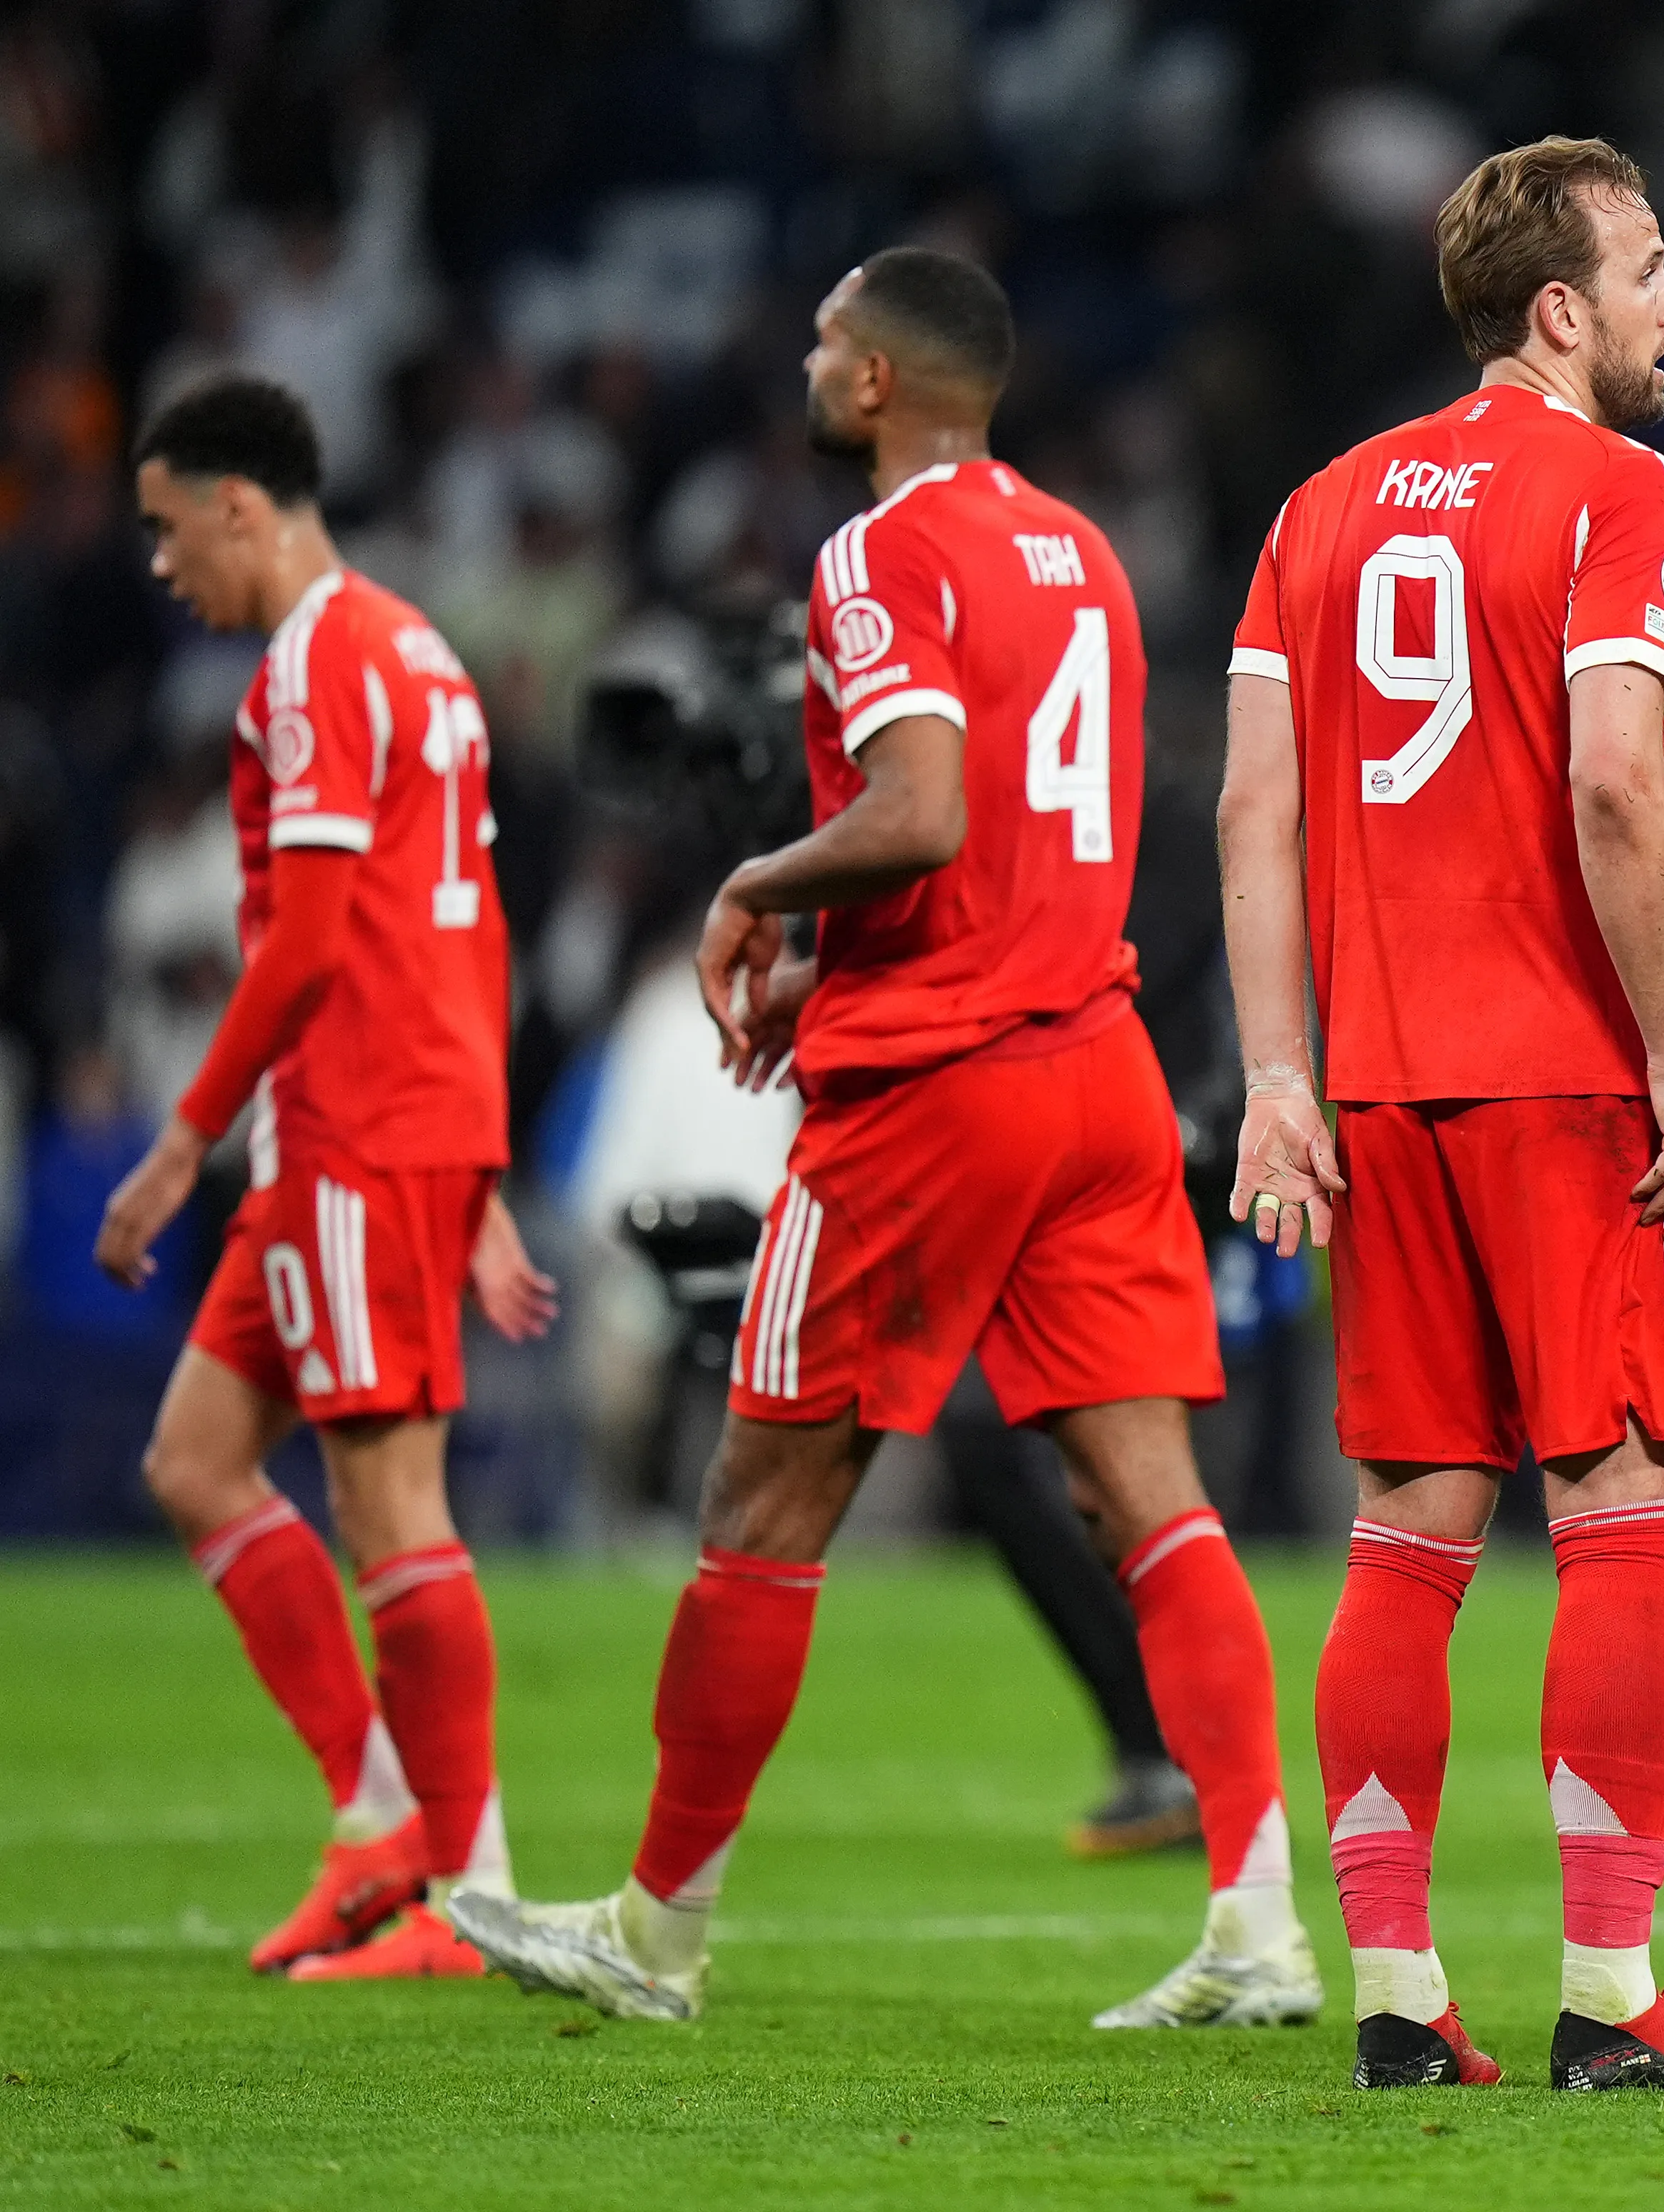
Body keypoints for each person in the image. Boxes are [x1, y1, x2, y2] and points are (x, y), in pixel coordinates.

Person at [452, 248, 1304, 2031]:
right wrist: (831, 934)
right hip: (1095, 1060)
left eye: (830, 339)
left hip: (937, 1092)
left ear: (874, 385)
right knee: (1150, 1500)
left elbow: (921, 815)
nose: (813, 361)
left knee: (761, 1504)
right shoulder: (1080, 552)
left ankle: (656, 1931)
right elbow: (1008, 830)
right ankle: (1258, 1927)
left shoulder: (873, 554)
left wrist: (755, 886)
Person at [1220, 136, 1664, 2093]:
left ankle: (1391, 1989)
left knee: (1406, 1526)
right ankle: (1613, 1998)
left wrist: (1281, 1078)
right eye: (1647, 271)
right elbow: (1622, 781)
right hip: (1561, 1079)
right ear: (1560, 310)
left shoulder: (1320, 507)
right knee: (1616, 1505)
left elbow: (1249, 810)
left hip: (1375, 1083)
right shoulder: (1622, 490)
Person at [109, 372, 552, 1981]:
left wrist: (177, 1147)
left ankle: (464, 1897)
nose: (163, 567)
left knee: (391, 1504)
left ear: (241, 503)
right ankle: (386, 1824)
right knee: (197, 1460)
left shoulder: (314, 663)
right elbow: (467, 925)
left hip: (356, 1119)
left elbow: (309, 937)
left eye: (168, 529)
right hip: (374, 1123)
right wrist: (484, 1164)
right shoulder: (417, 645)